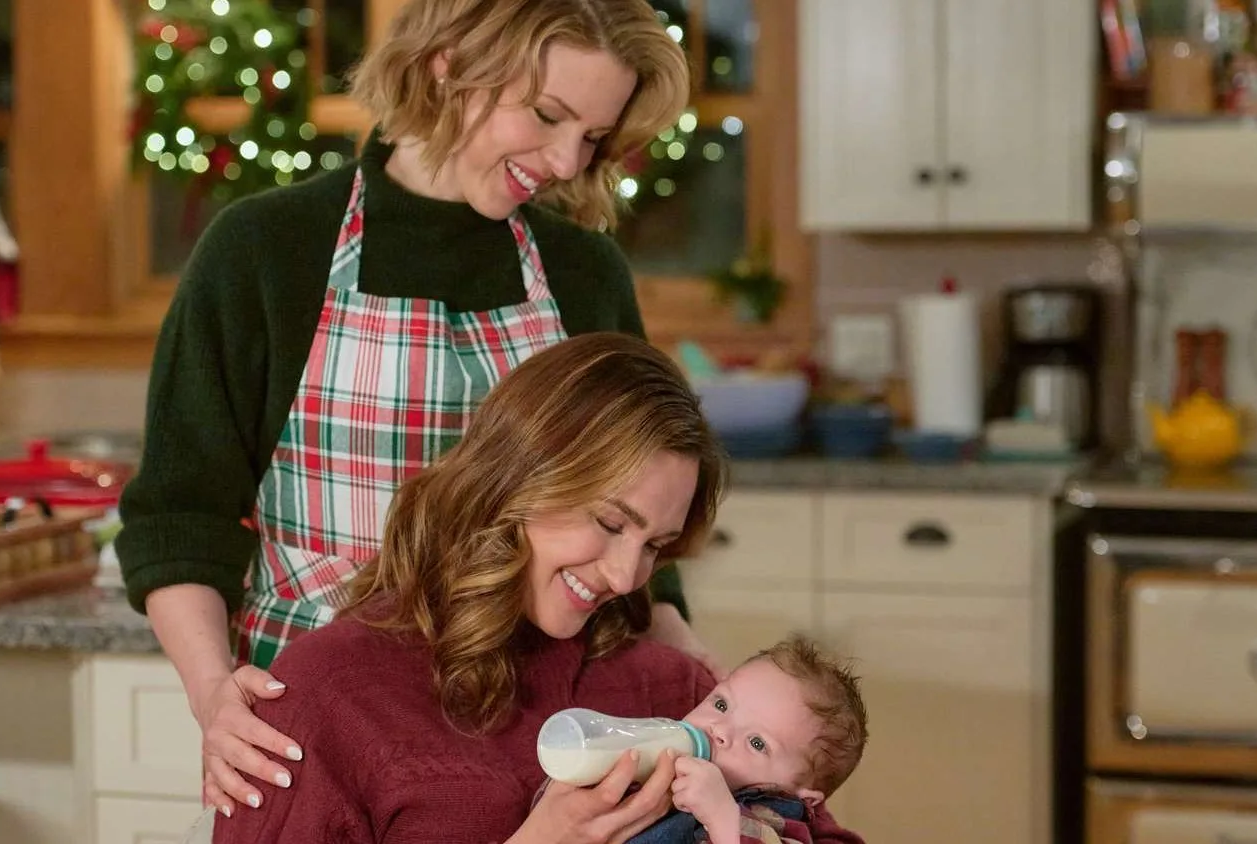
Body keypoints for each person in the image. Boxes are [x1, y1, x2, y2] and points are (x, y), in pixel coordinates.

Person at [113, 0, 716, 817]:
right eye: (547, 115)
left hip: (540, 746)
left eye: (594, 137)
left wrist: (696, 678)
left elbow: (639, 516)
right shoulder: (267, 250)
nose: (568, 160)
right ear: (447, 64)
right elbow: (180, 517)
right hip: (320, 746)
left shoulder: (583, 273)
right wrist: (214, 693)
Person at [210, 333, 864, 844]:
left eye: (655, 547)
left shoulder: (680, 699)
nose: (624, 575)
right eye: (610, 523)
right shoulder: (329, 697)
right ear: (516, 479)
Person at [620, 634, 869, 844]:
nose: (719, 730)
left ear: (802, 798)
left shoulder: (775, 818)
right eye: (720, 704)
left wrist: (723, 817)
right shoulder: (655, 767)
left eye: (756, 743)